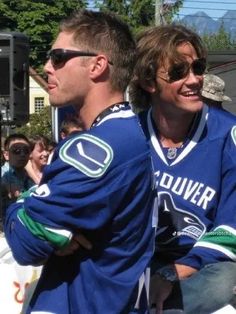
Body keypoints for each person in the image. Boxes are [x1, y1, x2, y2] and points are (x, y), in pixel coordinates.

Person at [4, 9, 155, 314]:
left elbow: (25, 243)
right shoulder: (130, 133)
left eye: (58, 57)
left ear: (98, 65)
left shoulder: (100, 146)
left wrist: (21, 203)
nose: (47, 66)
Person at [129, 24, 236, 314]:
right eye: (178, 72)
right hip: (138, 262)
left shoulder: (228, 135)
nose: (194, 80)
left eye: (198, 68)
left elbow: (231, 227)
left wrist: (173, 273)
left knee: (224, 281)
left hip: (202, 264)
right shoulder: (128, 134)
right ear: (149, 82)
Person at [1, 133, 35, 222]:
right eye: (17, 151)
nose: (22, 154)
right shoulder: (3, 174)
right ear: (6, 155)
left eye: (26, 150)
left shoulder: (30, 175)